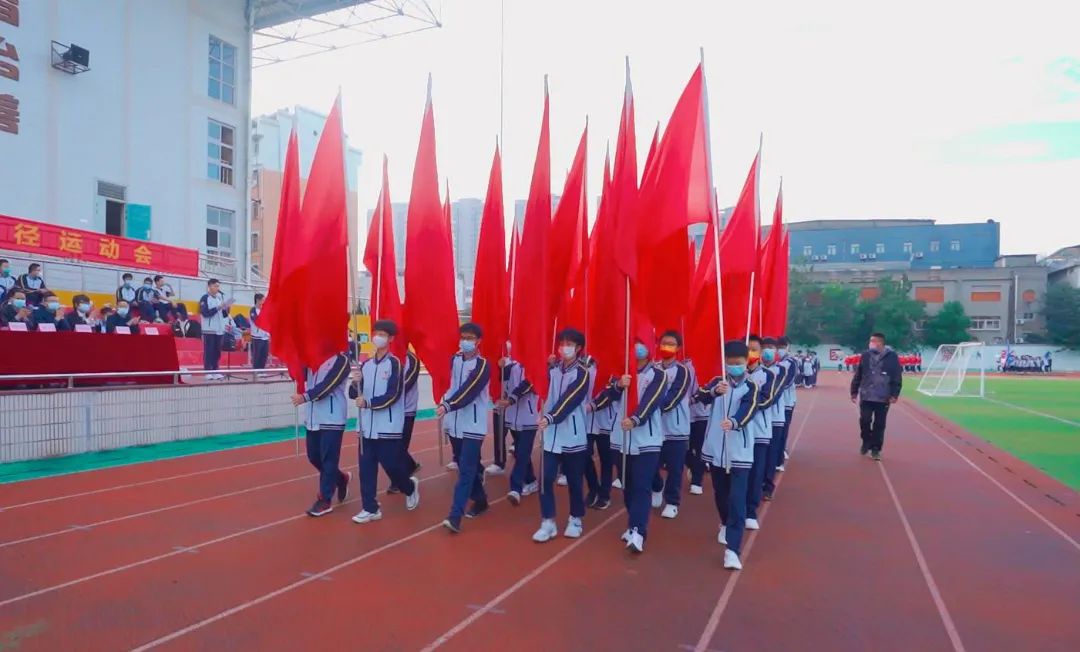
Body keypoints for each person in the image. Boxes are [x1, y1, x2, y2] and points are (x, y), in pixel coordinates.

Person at [349, 320, 419, 524]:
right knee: (366, 469)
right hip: (366, 427)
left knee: (392, 467)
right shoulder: (366, 365)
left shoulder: (395, 364)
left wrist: (368, 403)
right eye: (376, 333)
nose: (377, 337)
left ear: (391, 339)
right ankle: (370, 508)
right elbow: (354, 394)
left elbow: (394, 395)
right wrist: (355, 382)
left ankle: (410, 487)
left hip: (387, 426)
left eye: (382, 334)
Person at [701, 340, 759, 571]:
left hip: (740, 451)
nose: (735, 366)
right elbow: (699, 396)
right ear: (725, 362)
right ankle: (724, 523)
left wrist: (735, 422)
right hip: (716, 449)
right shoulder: (718, 382)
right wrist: (715, 392)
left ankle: (732, 550)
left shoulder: (751, 385)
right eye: (731, 362)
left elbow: (750, 408)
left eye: (739, 362)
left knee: (737, 499)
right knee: (721, 493)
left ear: (746, 361)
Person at [605, 339, 666, 553]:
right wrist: (618, 385)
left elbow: (651, 401)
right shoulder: (619, 373)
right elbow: (608, 395)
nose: (638, 348)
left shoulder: (657, 374)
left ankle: (638, 531)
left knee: (641, 485)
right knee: (627, 483)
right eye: (634, 343)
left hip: (646, 440)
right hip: (620, 438)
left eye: (642, 344)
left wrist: (636, 419)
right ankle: (633, 524)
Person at [532, 328, 591, 543]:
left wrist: (551, 417)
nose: (564, 347)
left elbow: (570, 399)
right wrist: (544, 366)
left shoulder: (582, 373)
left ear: (578, 348)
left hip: (572, 436)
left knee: (574, 480)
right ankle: (548, 521)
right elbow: (539, 384)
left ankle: (575, 518)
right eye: (562, 343)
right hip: (551, 436)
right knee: (545, 479)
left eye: (569, 344)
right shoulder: (553, 369)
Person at [438, 322, 492, 533]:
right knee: (465, 465)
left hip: (473, 424)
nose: (465, 341)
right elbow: (448, 384)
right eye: (463, 337)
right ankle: (481, 500)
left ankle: (455, 516)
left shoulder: (482, 365)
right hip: (455, 423)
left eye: (470, 338)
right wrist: (445, 402)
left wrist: (448, 405)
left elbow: (470, 390)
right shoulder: (454, 360)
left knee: (467, 470)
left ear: (479, 341)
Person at [291, 351, 352, 517]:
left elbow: (328, 385)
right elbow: (299, 375)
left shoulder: (341, 360)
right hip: (313, 417)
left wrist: (306, 397)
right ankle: (341, 479)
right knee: (314, 457)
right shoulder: (311, 357)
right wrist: (294, 360)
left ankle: (325, 500)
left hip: (332, 418)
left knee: (329, 460)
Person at [651, 330, 693, 520]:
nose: (666, 347)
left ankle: (672, 502)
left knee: (675, 468)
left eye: (671, 344)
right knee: (651, 465)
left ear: (678, 348)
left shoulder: (682, 371)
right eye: (664, 343)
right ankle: (657, 487)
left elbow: (674, 396)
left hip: (676, 429)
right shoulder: (653, 369)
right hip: (654, 428)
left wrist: (649, 408)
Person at [743, 335, 779, 531]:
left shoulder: (768, 375)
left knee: (756, 472)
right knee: (738, 474)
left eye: (754, 349)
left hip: (759, 432)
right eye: (747, 349)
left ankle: (750, 511)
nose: (751, 353)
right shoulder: (732, 375)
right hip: (738, 433)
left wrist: (744, 401)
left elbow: (766, 400)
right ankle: (736, 509)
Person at [496, 348, 540, 505]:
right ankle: (531, 480)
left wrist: (511, 399)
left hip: (529, 417)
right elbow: (501, 381)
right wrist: (499, 368)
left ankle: (515, 488)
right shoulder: (511, 365)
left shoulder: (535, 363)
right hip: (512, 416)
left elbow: (529, 384)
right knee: (521, 452)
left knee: (522, 452)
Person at [850, 332, 903, 461]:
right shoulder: (866, 355)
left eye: (873, 341)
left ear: (880, 342)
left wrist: (895, 394)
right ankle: (866, 441)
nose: (871, 343)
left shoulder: (892, 357)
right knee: (865, 420)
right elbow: (859, 373)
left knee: (879, 424)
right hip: (867, 395)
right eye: (870, 341)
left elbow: (897, 375)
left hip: (883, 396)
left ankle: (876, 449)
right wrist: (854, 391)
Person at [388, 350, 423, 493]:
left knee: (400, 446)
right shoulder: (387, 357)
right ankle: (410, 466)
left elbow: (407, 383)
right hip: (389, 409)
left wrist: (387, 395)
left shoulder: (412, 360)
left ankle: (398, 481)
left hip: (406, 409)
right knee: (391, 446)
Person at [760, 338, 790, 501]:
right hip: (758, 420)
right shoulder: (754, 370)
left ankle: (768, 486)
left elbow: (776, 392)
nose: (767, 350)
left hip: (775, 418)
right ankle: (756, 484)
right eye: (764, 347)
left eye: (771, 347)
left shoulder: (781, 370)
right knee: (759, 455)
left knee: (771, 453)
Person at [199, 279, 232, 380]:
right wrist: (218, 307)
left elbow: (224, 315)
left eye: (218, 286)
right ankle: (207, 371)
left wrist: (227, 308)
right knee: (209, 351)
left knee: (217, 351)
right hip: (209, 329)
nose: (217, 288)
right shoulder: (205, 298)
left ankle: (215, 370)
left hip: (219, 329)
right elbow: (205, 313)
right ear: (209, 286)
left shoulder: (219, 298)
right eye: (215, 286)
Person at [685, 356, 709, 496]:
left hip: (702, 413)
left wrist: (694, 399)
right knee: (684, 448)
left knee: (700, 448)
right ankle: (692, 465)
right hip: (684, 415)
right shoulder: (680, 363)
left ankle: (696, 481)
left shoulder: (705, 361)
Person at [774, 336, 797, 471]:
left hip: (787, 402)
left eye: (783, 347)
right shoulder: (777, 363)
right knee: (777, 431)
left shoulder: (791, 362)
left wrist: (775, 389)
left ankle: (780, 458)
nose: (781, 350)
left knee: (783, 430)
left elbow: (789, 381)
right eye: (779, 347)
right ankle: (778, 453)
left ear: (788, 347)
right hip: (776, 402)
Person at [249, 293, 270, 370]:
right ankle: (256, 371)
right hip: (257, 337)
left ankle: (262, 370)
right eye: (263, 300)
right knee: (256, 355)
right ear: (258, 300)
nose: (264, 302)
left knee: (264, 355)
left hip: (265, 336)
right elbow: (257, 321)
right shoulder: (253, 310)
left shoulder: (265, 310)